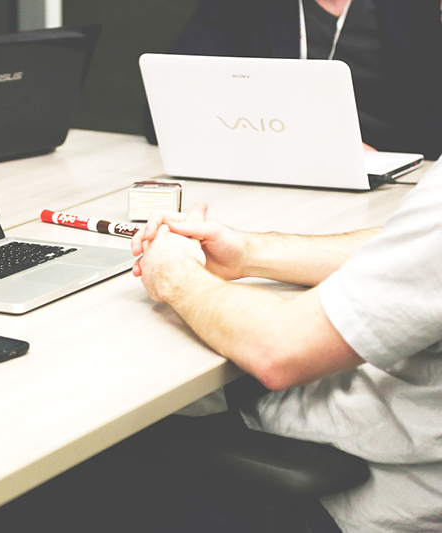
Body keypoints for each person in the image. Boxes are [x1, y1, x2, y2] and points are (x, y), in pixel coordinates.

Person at [128, 158, 442, 531]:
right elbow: (408, 246)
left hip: (373, 491)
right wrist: (247, 252)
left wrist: (175, 276)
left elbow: (278, 351)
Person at [144, 0, 442, 159]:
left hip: (395, 180)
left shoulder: (417, 9)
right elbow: (163, 114)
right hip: (271, 173)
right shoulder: (241, 6)